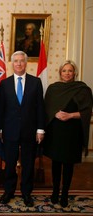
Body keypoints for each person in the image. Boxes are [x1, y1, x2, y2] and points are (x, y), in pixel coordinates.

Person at [43, 60, 93, 207]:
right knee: (56, 163)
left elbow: (87, 112)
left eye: (70, 71)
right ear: (60, 73)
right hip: (56, 132)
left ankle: (64, 194)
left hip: (72, 132)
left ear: (74, 73)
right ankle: (54, 192)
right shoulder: (53, 88)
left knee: (68, 164)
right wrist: (55, 113)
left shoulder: (82, 89)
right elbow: (46, 109)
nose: (67, 73)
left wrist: (70, 115)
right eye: (64, 71)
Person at [0, 51, 45, 207]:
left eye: (21, 61)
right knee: (10, 163)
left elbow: (40, 108)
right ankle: (9, 191)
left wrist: (40, 130)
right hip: (10, 130)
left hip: (29, 131)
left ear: (26, 63)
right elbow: (0, 109)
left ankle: (26, 193)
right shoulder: (4, 84)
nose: (18, 64)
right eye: (16, 61)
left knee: (28, 164)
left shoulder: (36, 82)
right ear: (12, 64)